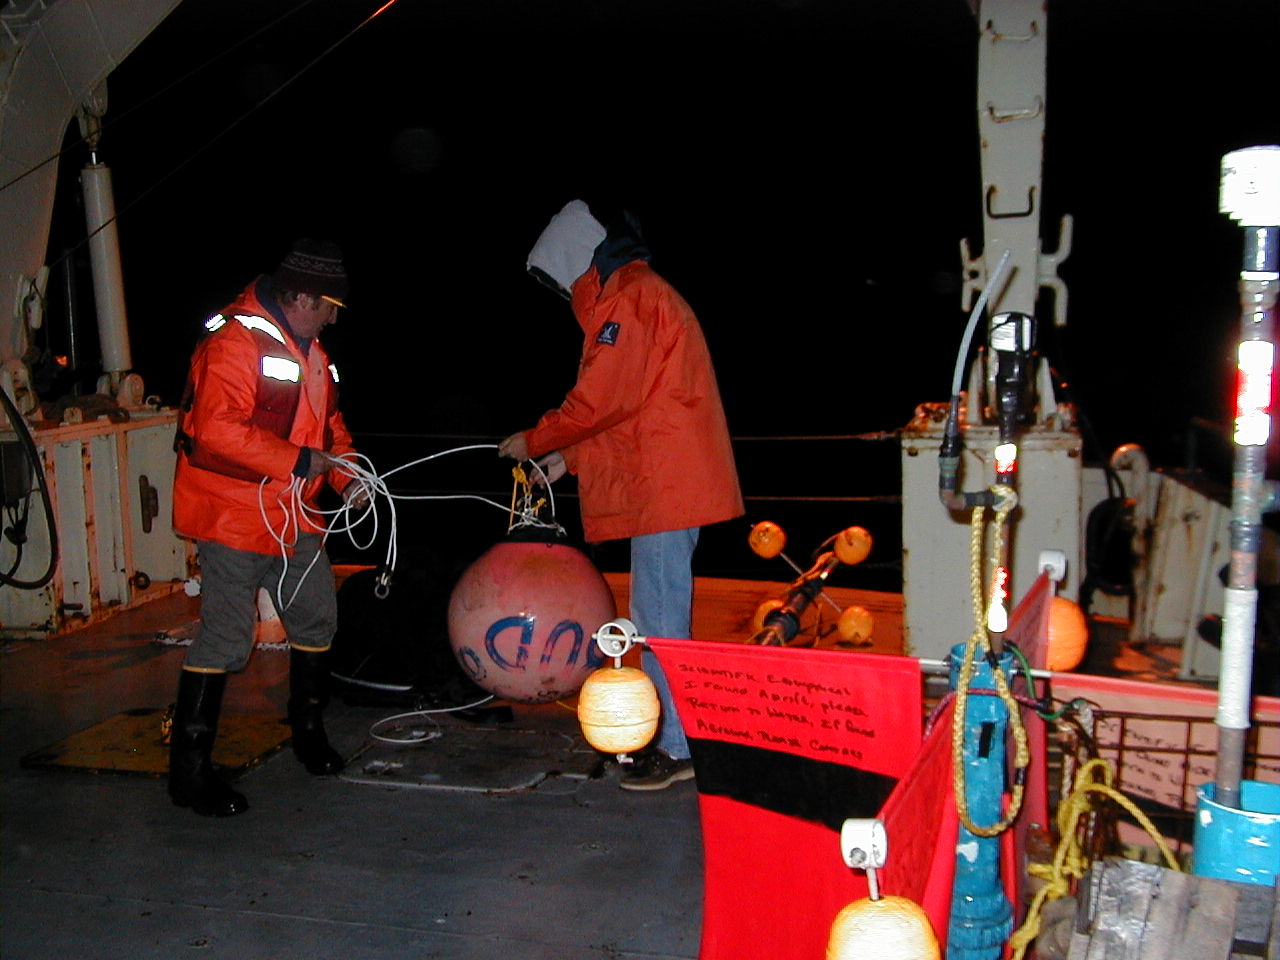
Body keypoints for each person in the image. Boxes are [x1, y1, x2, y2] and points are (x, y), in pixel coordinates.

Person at [499, 199, 743, 791]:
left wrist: (535, 439)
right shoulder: (634, 294)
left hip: (664, 488)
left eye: (559, 278)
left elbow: (601, 399)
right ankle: (680, 739)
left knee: (659, 624)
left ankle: (678, 748)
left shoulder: (629, 299)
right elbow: (633, 409)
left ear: (573, 260)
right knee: (658, 618)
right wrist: (570, 459)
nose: (562, 291)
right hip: (662, 483)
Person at [168, 238, 363, 817]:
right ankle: (189, 774)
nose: (333, 318)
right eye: (330, 306)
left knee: (317, 616)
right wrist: (299, 462)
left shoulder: (315, 355)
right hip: (231, 515)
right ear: (302, 297)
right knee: (228, 638)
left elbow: (329, 430)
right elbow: (216, 429)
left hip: (295, 516)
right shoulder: (234, 342)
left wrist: (347, 478)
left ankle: (308, 735)